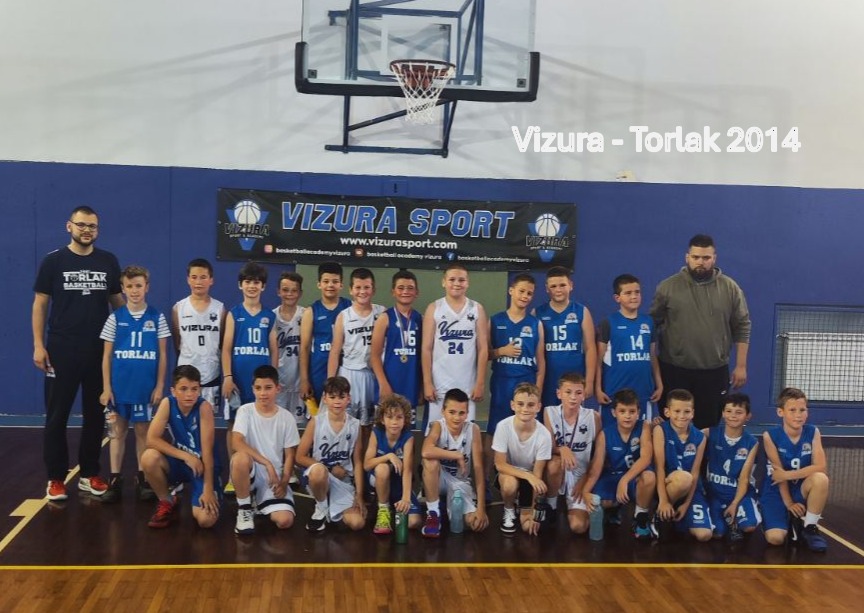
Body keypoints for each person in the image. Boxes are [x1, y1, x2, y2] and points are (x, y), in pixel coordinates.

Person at [33, 205, 124, 501]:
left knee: (95, 415)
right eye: (82, 225)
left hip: (98, 351)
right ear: (69, 226)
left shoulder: (108, 261)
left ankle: (89, 474)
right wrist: (38, 344)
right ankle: (56, 478)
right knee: (56, 416)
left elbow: (118, 303)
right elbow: (40, 304)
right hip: (61, 350)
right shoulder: (53, 261)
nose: (87, 230)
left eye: (92, 226)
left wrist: (126, 340)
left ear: (97, 230)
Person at [650, 234, 751, 429]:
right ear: (687, 257)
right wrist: (653, 369)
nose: (700, 262)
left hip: (714, 372)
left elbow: (742, 326)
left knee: (708, 427)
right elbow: (651, 327)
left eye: (706, 258)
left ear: (714, 258)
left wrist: (741, 366)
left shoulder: (730, 288)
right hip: (674, 370)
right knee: (672, 428)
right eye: (696, 257)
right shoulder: (667, 287)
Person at [98, 265, 171, 502]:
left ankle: (143, 478)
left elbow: (163, 355)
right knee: (117, 433)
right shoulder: (115, 318)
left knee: (143, 433)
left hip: (145, 389)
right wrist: (106, 387)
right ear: (123, 288)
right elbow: (106, 356)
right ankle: (115, 479)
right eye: (129, 286)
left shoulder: (157, 317)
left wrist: (159, 386)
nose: (134, 290)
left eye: (139, 285)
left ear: (147, 287)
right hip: (119, 389)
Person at [221, 261, 278, 493]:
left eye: (256, 282)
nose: (252, 286)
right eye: (248, 282)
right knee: (233, 426)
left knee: (260, 426)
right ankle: (233, 475)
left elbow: (274, 349)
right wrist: (227, 376)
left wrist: (273, 379)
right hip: (238, 381)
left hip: (261, 384)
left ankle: (260, 472)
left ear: (263, 286)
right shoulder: (234, 314)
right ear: (240, 285)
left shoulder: (269, 316)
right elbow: (226, 348)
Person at [141, 365, 221, 529]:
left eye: (194, 389)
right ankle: (167, 500)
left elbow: (207, 453)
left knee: (206, 520)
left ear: (199, 390)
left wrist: (208, 489)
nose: (189, 394)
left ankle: (212, 486)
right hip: (182, 461)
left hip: (203, 466)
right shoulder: (168, 403)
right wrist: (186, 456)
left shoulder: (204, 408)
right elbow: (151, 439)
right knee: (149, 457)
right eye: (183, 389)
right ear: (173, 391)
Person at [230, 365, 301, 535]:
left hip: (273, 478)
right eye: (258, 388)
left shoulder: (287, 417)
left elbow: (290, 455)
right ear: (253, 389)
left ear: (278, 388)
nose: (263, 393)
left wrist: (284, 481)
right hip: (252, 470)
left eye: (268, 388)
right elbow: (236, 442)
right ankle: (244, 509)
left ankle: (258, 501)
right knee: (240, 458)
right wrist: (267, 463)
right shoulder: (245, 411)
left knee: (285, 521)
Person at [581, 388, 656, 540]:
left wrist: (625, 480)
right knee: (598, 502)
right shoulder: (605, 434)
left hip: (634, 477)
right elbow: (596, 468)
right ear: (614, 413)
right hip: (613, 476)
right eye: (622, 411)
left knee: (649, 477)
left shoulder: (644, 426)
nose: (627, 416)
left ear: (638, 412)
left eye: (632, 411)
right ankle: (612, 511)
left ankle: (640, 519)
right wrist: (585, 491)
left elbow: (646, 458)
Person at [761, 387, 829, 552]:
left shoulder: (813, 432)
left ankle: (810, 528)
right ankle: (783, 518)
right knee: (775, 539)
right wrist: (789, 503)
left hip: (799, 487)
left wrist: (788, 474)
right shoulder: (770, 436)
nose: (798, 415)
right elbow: (778, 476)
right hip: (776, 491)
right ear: (780, 412)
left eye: (802, 410)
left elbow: (821, 467)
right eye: (792, 410)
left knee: (820, 479)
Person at [422, 263, 489, 428]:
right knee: (435, 432)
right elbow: (426, 348)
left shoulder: (476, 309)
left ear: (468, 282)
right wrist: (427, 382)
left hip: (467, 384)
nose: (457, 283)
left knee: (465, 433)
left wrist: (480, 382)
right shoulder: (434, 308)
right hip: (439, 383)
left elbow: (483, 349)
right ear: (443, 282)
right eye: (452, 279)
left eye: (461, 280)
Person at [296, 376, 366, 532]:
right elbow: (299, 457)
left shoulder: (355, 425)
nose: (337, 401)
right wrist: (329, 469)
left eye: (341, 397)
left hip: (343, 480)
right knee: (319, 471)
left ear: (348, 399)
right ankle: (321, 508)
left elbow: (358, 462)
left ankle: (328, 502)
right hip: (319, 477)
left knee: (357, 523)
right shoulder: (316, 422)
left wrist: (360, 494)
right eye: (332, 397)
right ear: (325, 398)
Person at [596, 274, 662, 428]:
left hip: (643, 392)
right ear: (617, 298)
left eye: (637, 292)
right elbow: (598, 361)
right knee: (611, 435)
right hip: (614, 392)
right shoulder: (608, 322)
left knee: (643, 434)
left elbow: (652, 356)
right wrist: (597, 389)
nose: (634, 296)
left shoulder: (648, 322)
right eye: (628, 293)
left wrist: (659, 384)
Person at [420, 388, 489, 538]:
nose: (456, 418)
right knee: (430, 462)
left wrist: (481, 508)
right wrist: (456, 455)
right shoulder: (438, 426)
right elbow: (425, 451)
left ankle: (447, 505)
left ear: (467, 414)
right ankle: (433, 513)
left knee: (475, 524)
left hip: (460, 482)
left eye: (461, 413)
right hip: (440, 479)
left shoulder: (473, 429)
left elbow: (478, 469)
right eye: (452, 412)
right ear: (443, 411)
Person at [540, 372, 600, 535]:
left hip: (581, 473)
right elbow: (548, 447)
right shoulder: (549, 412)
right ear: (559, 393)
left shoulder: (593, 417)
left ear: (584, 395)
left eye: (578, 393)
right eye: (568, 392)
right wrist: (562, 449)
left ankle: (596, 510)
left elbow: (599, 455)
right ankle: (552, 505)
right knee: (554, 464)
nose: (573, 397)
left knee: (578, 527)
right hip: (558, 468)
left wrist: (586, 479)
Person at [488, 273, 545, 436]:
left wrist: (538, 390)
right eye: (521, 291)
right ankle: (491, 455)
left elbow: (541, 361)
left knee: (526, 430)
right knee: (495, 429)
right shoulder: (495, 320)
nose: (525, 296)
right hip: (502, 382)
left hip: (527, 381)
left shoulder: (536, 323)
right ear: (511, 291)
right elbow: (485, 354)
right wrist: (501, 351)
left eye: (529, 293)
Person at [492, 383, 553, 535]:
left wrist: (533, 511)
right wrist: (528, 476)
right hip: (510, 472)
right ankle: (509, 509)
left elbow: (537, 474)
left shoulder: (544, 435)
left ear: (538, 407)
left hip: (531, 479)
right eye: (520, 404)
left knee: (528, 527)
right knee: (510, 485)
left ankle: (524, 505)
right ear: (512, 405)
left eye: (530, 405)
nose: (525, 409)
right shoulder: (503, 427)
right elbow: (500, 464)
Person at [652, 389, 712, 542]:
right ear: (667, 412)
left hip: (690, 489)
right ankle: (659, 513)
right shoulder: (660, 430)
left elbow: (696, 473)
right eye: (677, 411)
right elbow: (659, 467)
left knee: (704, 535)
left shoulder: (700, 437)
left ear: (692, 413)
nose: (682, 416)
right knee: (684, 478)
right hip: (668, 485)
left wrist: (686, 504)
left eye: (686, 411)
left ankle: (677, 515)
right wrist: (663, 500)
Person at [328, 268, 385, 430]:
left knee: (371, 424)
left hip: (373, 374)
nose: (362, 291)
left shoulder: (382, 313)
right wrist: (330, 383)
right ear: (350, 290)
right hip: (350, 373)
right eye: (358, 287)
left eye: (366, 287)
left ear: (373, 289)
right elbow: (335, 351)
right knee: (347, 423)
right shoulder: (344, 316)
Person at [534, 266, 596, 410]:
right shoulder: (537, 313)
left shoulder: (581, 311)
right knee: (547, 417)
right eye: (553, 286)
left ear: (571, 285)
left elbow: (590, 348)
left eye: (562, 285)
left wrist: (589, 381)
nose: (558, 289)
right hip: (548, 380)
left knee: (574, 418)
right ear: (547, 289)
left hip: (575, 380)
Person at [702, 393, 761, 543]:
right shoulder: (710, 433)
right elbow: (685, 435)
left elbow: (744, 478)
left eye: (739, 412)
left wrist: (735, 503)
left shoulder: (751, 442)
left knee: (749, 527)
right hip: (715, 493)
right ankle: (728, 522)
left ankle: (736, 518)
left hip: (739, 493)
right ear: (722, 413)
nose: (733, 416)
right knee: (717, 533)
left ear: (748, 416)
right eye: (728, 411)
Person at [363, 394, 423, 535]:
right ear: (382, 419)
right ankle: (383, 508)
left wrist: (406, 498)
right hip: (378, 479)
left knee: (414, 522)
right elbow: (366, 464)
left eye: (399, 417)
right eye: (389, 417)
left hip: (398, 483)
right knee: (382, 468)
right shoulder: (376, 433)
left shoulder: (408, 437)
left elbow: (407, 470)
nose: (394, 422)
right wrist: (388, 456)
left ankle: (395, 505)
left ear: (405, 419)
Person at [370, 270, 423, 426]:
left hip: (410, 386)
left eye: (410, 288)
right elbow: (374, 356)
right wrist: (383, 384)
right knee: (383, 431)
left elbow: (423, 357)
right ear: (393, 292)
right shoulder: (384, 318)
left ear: (417, 292)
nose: (405, 291)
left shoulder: (420, 319)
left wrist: (421, 386)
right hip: (389, 384)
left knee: (408, 431)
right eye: (400, 288)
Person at [171, 258, 225, 410]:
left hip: (211, 374)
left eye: (203, 277)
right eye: (194, 277)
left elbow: (221, 343)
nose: (198, 282)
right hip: (185, 374)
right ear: (188, 279)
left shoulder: (220, 309)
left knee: (208, 417)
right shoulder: (178, 308)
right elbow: (177, 343)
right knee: (184, 417)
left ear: (211, 280)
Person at [299, 262, 351, 404]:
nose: (330, 285)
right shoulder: (311, 311)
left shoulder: (350, 307)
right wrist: (304, 379)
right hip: (319, 370)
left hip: (346, 367)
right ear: (319, 284)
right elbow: (304, 348)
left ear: (341, 285)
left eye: (335, 281)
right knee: (321, 413)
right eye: (326, 281)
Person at [273, 271, 306, 425]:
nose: (289, 294)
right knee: (278, 425)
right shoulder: (271, 317)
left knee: (300, 426)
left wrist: (306, 380)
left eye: (294, 290)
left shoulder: (306, 315)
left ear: (300, 293)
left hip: (301, 383)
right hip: (280, 382)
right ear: (278, 291)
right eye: (285, 290)